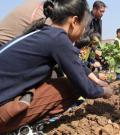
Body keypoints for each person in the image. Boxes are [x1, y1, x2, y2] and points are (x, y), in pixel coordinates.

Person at [0, 0, 112, 133]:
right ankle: (20, 128)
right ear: (74, 21)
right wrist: (105, 91)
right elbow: (87, 89)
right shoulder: (59, 39)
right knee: (71, 86)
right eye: (84, 27)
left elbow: (76, 63)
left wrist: (97, 80)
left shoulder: (45, 32)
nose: (83, 32)